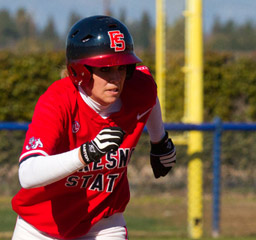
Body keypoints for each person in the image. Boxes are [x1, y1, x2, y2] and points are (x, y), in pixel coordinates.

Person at [11, 15, 176, 240]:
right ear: (80, 71)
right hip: (41, 226)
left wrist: (160, 141)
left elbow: (150, 96)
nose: (116, 78)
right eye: (106, 69)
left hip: (104, 224)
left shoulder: (137, 87)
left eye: (122, 67)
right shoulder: (58, 101)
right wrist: (86, 153)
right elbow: (28, 174)